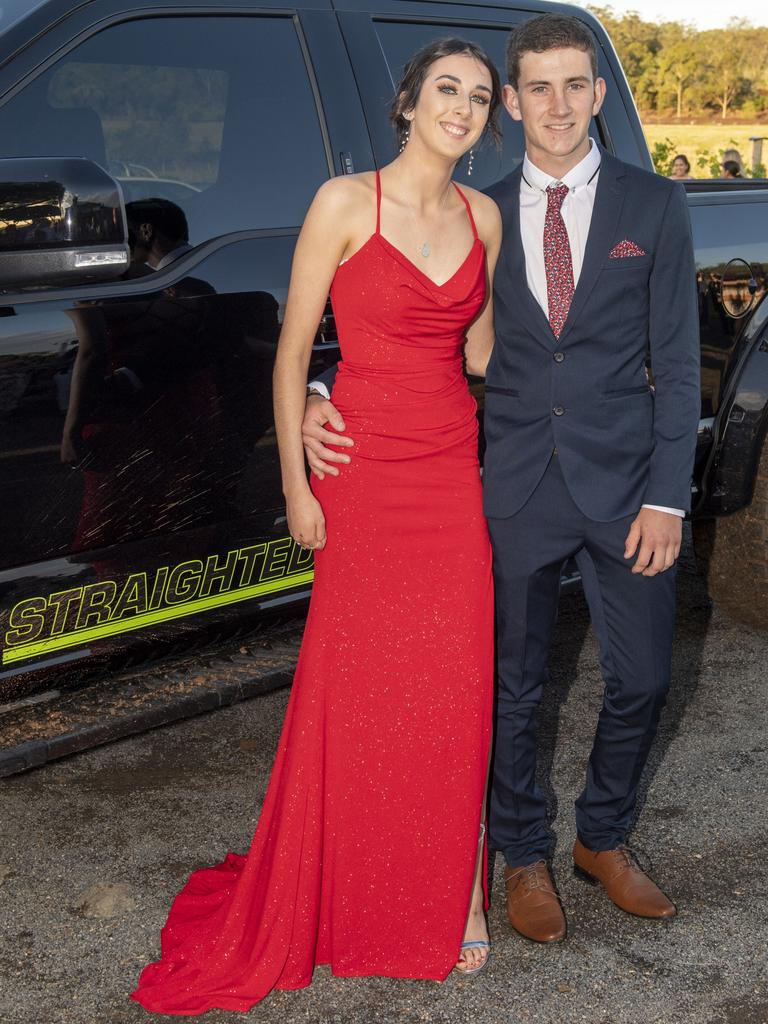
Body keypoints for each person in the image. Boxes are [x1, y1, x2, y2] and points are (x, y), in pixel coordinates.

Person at [304, 13, 700, 945]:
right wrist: (331, 386)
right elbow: (418, 320)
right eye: (538, 88)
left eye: (577, 85)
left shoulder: (655, 207)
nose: (558, 105)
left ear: (599, 95)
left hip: (632, 487)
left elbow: (679, 365)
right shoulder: (477, 213)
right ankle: (522, 853)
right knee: (510, 687)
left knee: (641, 678)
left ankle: (602, 839)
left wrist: (669, 494)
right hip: (514, 481)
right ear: (510, 104)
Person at [130, 38, 503, 1015]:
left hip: (451, 478)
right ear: (410, 102)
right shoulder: (346, 202)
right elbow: (293, 349)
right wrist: (299, 473)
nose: (462, 108)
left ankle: (460, 894)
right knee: (358, 689)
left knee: (456, 681)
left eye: (480, 98)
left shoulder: (487, 216)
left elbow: (479, 349)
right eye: (447, 91)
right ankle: (345, 875)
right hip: (363, 476)